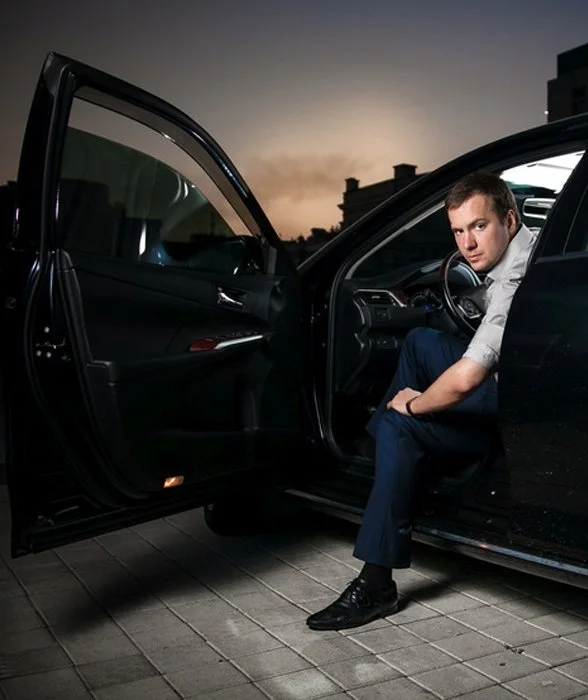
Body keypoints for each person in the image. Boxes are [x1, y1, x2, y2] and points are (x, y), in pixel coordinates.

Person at [307, 172, 537, 631]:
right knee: (419, 341)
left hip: (516, 408)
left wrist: (412, 407)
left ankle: (377, 583)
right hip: (521, 381)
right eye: (458, 231)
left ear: (509, 220)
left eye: (479, 226)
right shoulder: (531, 245)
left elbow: (467, 378)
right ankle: (388, 460)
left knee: (399, 423)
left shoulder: (515, 279)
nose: (468, 244)